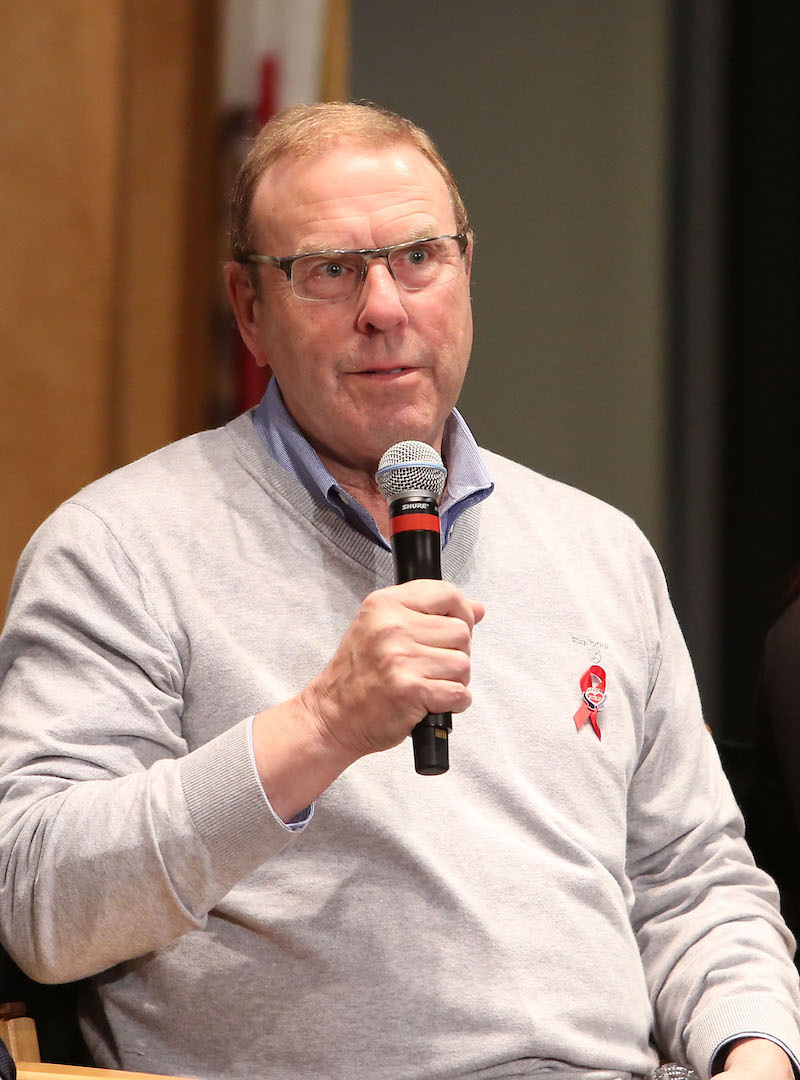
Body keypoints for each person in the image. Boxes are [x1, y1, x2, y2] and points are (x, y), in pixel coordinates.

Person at [0, 101, 798, 1080]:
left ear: (466, 271)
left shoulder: (600, 552)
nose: (383, 307)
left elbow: (692, 883)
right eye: (330, 270)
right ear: (249, 310)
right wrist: (322, 727)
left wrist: (752, 1054)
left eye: (417, 257)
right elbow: (42, 904)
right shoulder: (119, 549)